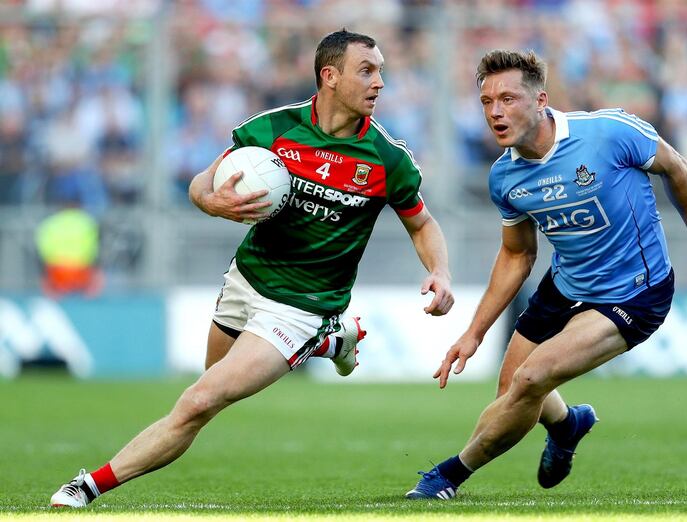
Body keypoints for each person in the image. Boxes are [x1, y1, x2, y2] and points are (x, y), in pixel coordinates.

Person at [49, 29, 454, 508]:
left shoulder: (388, 159)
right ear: (330, 76)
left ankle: (88, 485)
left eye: (381, 70)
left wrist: (440, 271)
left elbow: (422, 223)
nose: (379, 82)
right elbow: (203, 182)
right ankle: (330, 342)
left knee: (199, 401)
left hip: (302, 306)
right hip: (245, 281)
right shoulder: (272, 129)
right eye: (367, 70)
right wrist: (213, 202)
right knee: (203, 394)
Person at [405, 49, 687, 500]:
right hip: (565, 286)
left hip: (633, 294)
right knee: (512, 388)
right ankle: (568, 425)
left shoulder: (606, 132)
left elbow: (675, 167)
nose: (495, 111)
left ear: (541, 99)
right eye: (486, 102)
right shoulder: (504, 177)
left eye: (507, 98)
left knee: (530, 379)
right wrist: (475, 333)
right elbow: (517, 255)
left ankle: (448, 475)